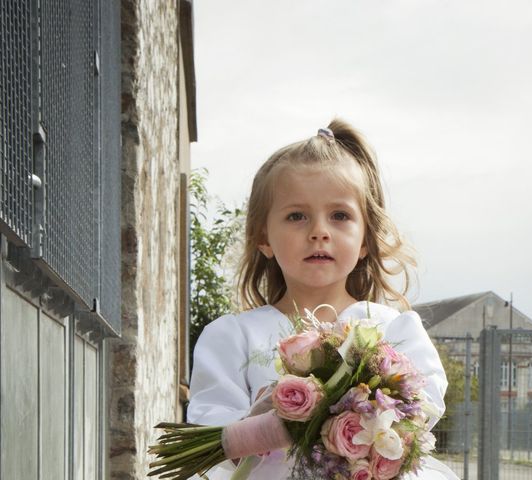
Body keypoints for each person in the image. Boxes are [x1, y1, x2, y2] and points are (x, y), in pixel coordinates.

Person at [187, 119, 459, 480]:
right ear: (263, 236)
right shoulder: (234, 338)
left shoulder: (395, 331)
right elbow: (215, 441)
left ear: (365, 240)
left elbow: (418, 413)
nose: (319, 232)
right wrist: (263, 424)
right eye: (296, 216)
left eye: (340, 216)